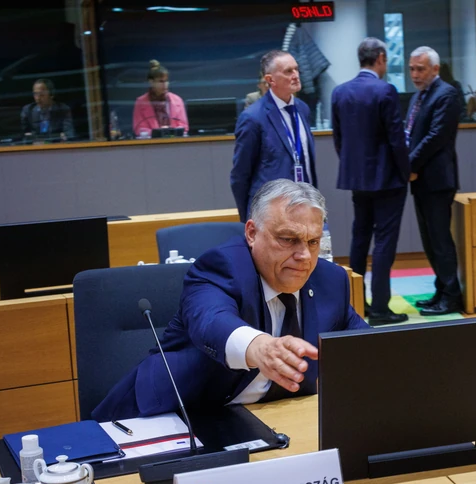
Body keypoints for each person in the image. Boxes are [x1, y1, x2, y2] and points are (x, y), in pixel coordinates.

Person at [92, 180, 368, 420]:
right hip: (171, 417)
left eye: (313, 242)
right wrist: (260, 347)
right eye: (288, 239)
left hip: (269, 420)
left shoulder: (330, 280)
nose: (304, 256)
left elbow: (367, 346)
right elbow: (211, 320)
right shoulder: (220, 267)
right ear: (251, 233)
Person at [332, 38, 410, 326]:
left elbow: (339, 139)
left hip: (357, 179)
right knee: (384, 242)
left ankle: (356, 301)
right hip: (388, 179)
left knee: (360, 238)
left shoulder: (340, 92)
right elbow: (396, 139)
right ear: (380, 58)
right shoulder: (385, 90)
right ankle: (380, 307)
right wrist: (406, 171)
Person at [405, 46, 463, 315]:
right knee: (429, 241)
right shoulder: (419, 96)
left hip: (438, 180)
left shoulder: (446, 94)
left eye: (421, 69)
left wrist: (409, 165)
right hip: (421, 180)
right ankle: (441, 289)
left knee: (440, 241)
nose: (415, 74)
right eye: (412, 69)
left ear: (435, 69)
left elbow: (436, 137)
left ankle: (451, 296)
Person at [230, 51, 318, 222]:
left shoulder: (303, 109)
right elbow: (240, 175)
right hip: (271, 213)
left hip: (305, 205)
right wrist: (248, 218)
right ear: (270, 80)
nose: (296, 75)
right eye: (288, 71)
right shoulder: (253, 117)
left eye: (296, 69)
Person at [132, 60, 189, 137]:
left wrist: (170, 131)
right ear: (151, 82)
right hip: (152, 143)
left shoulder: (178, 100)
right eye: (161, 81)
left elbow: (184, 126)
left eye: (166, 81)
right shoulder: (140, 102)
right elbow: (139, 128)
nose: (165, 84)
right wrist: (159, 133)